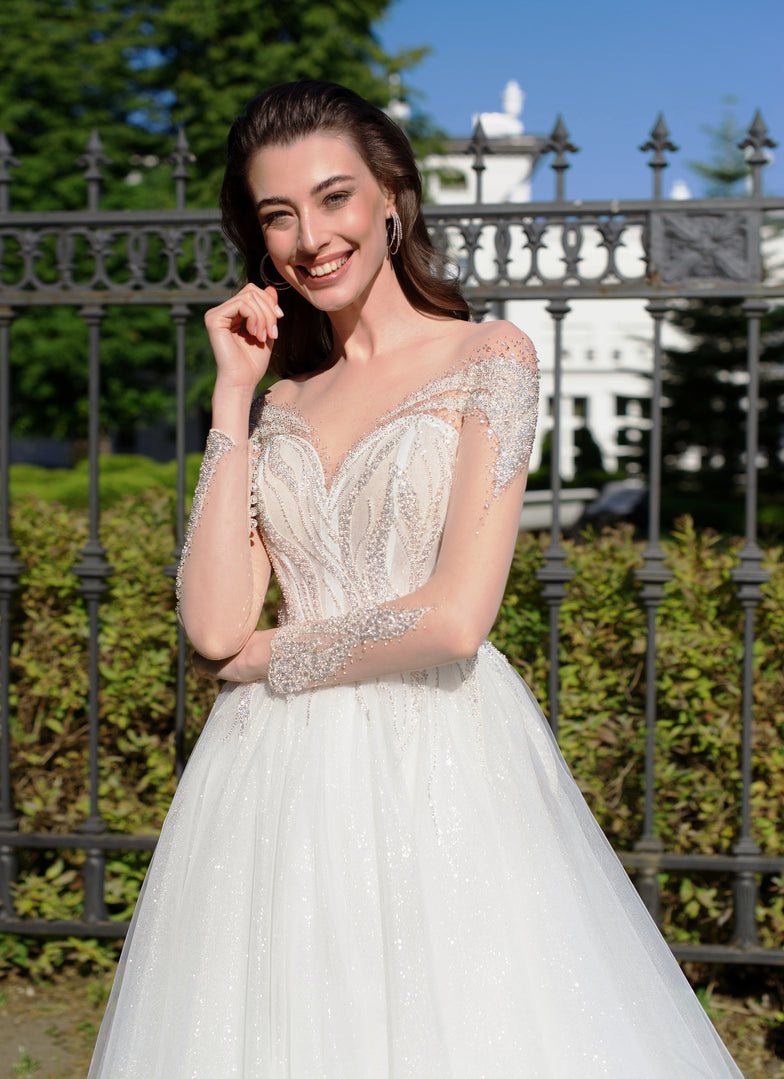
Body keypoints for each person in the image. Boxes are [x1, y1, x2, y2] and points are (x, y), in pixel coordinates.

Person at [88, 80, 742, 1078]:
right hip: (272, 782)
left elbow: (451, 620)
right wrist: (230, 398)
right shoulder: (283, 403)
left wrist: (269, 654)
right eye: (278, 215)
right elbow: (213, 624)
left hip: (440, 762)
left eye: (334, 196)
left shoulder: (491, 357)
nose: (311, 236)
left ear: (391, 194)